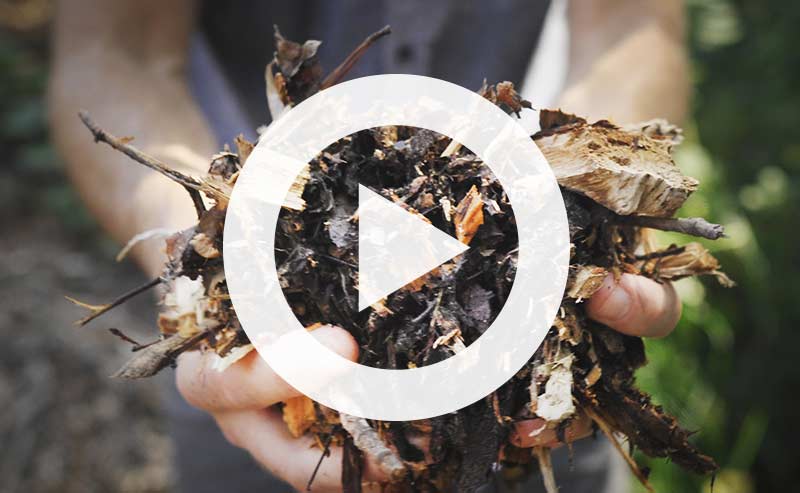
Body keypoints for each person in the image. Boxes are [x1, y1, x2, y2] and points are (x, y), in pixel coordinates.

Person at [49, 1, 689, 491]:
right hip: (254, 375)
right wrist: (210, 277)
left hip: (536, 383)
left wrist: (591, 214)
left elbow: (630, 33)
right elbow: (116, 53)